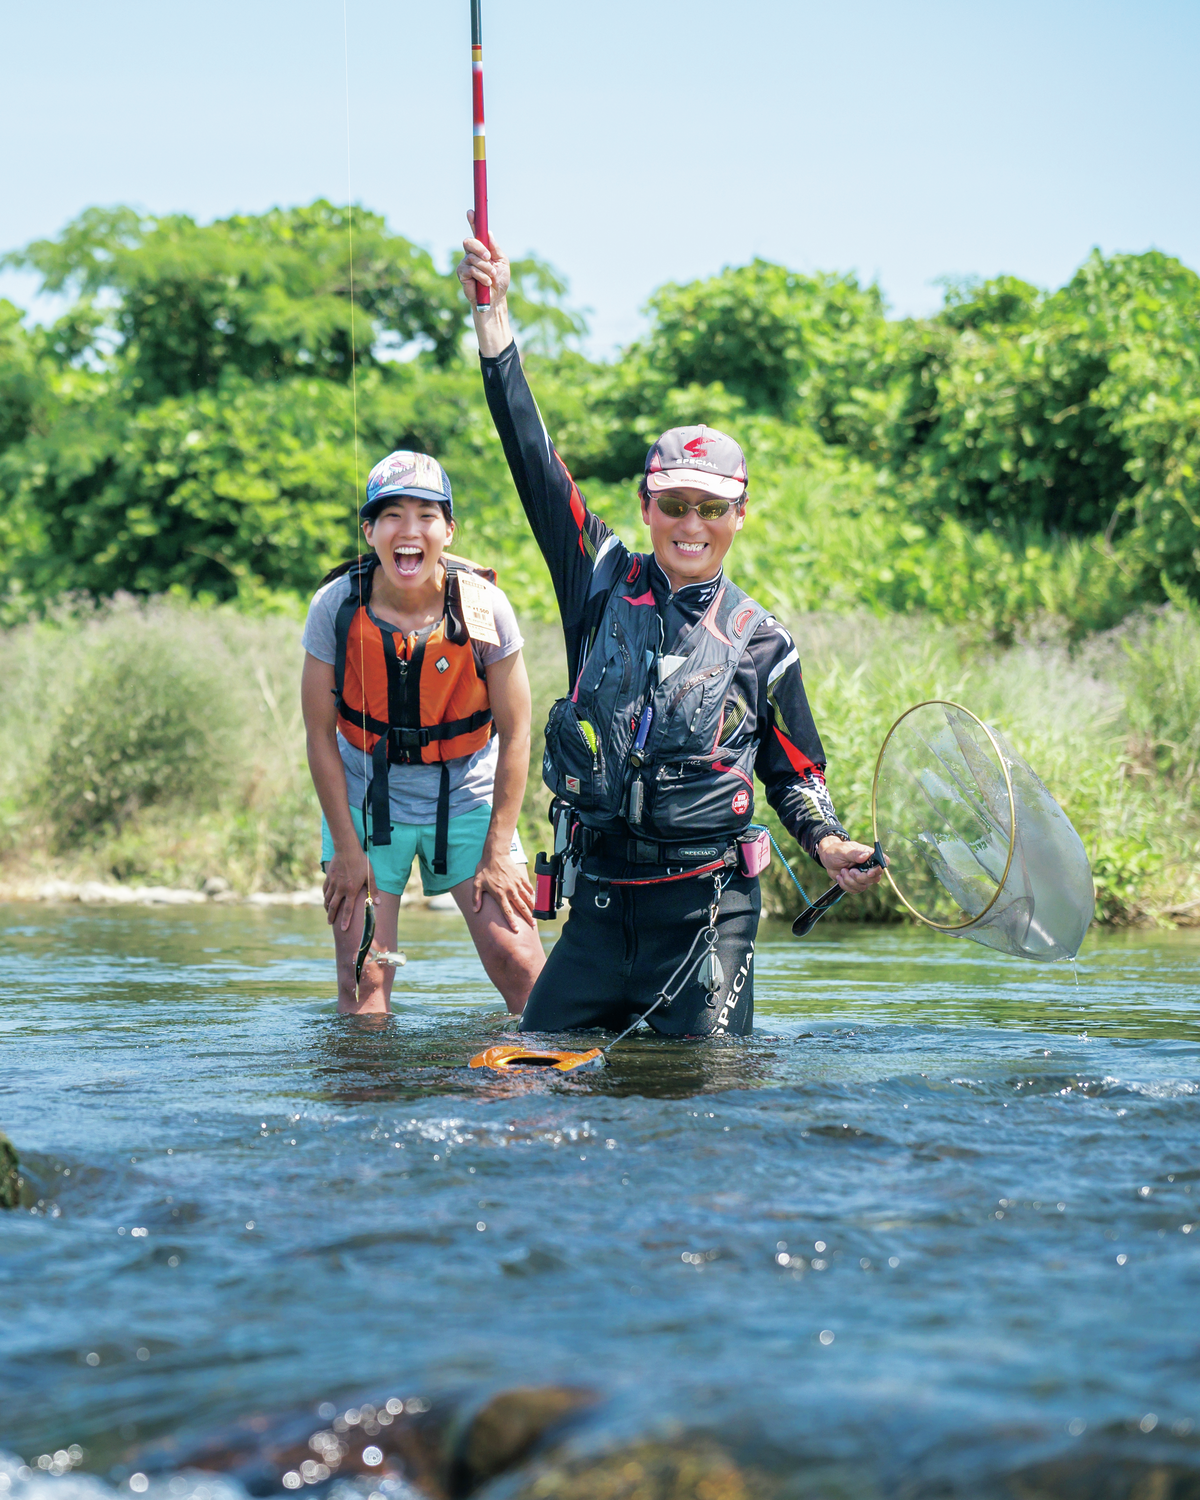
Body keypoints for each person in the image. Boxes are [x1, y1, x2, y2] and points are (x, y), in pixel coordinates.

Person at [456, 222, 884, 1038]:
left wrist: (827, 842)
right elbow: (531, 455)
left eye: (712, 508)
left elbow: (794, 770)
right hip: (597, 912)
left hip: (706, 920)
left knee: (703, 1107)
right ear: (647, 505)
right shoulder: (598, 575)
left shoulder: (763, 641)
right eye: (675, 505)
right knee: (521, 1085)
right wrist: (494, 320)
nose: (692, 523)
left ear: (739, 515)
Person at [300, 449, 546, 1016]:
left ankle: (527, 1097)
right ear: (369, 531)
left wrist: (498, 850)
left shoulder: (484, 607)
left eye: (426, 515)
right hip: (367, 804)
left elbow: (516, 732)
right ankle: (369, 1100)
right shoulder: (335, 606)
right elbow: (318, 736)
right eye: (391, 515)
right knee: (365, 984)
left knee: (526, 974)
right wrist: (345, 849)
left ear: (449, 529)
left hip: (465, 798)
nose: (409, 530)